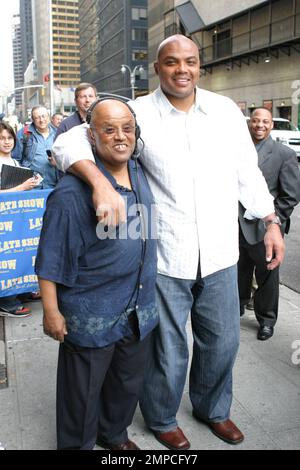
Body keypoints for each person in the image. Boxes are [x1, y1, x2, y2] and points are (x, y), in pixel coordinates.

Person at [52, 35, 285, 449]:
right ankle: (161, 417)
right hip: (164, 252)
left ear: (200, 66)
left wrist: (270, 221)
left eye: (190, 62)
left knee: (223, 340)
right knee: (166, 347)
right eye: (172, 62)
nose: (182, 70)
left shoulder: (225, 112)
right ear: (157, 68)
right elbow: (69, 141)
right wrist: (98, 185)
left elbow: (247, 172)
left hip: (219, 251)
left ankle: (213, 409)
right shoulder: (138, 113)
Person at [35, 99, 158, 450]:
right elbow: (50, 257)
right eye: (109, 129)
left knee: (125, 384)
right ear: (90, 135)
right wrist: (51, 311)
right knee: (82, 394)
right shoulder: (71, 194)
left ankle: (114, 435)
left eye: (127, 129)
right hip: (92, 312)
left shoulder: (138, 172)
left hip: (138, 308)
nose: (120, 137)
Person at [239, 107, 300, 340]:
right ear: (250, 123)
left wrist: (274, 220)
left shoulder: (283, 154)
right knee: (238, 271)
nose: (259, 125)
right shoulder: (238, 151)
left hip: (266, 228)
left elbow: (291, 194)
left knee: (267, 275)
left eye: (265, 121)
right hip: (236, 226)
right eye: (255, 121)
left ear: (271, 125)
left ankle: (266, 321)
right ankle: (237, 309)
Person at [0, 122, 39, 318]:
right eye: (2, 138)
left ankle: (20, 291)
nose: (7, 142)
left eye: (9, 138)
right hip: (3, 222)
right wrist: (21, 188)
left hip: (15, 219)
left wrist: (29, 185)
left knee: (20, 254)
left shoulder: (14, 162)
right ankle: (6, 302)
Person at [13, 106, 57, 189]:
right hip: (31, 188)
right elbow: (15, 160)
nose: (41, 120)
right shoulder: (23, 134)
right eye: (37, 117)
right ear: (33, 120)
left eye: (44, 116)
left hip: (54, 185)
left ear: (49, 117)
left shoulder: (57, 133)